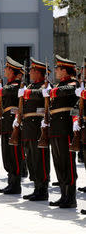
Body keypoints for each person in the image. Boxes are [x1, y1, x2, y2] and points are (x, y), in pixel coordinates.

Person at [44, 55, 79, 208]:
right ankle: (63, 194)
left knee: (67, 163)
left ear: (65, 70)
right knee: (58, 163)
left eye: (58, 69)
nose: (56, 71)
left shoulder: (73, 83)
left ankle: (70, 197)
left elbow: (67, 90)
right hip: (56, 128)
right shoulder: (59, 85)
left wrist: (51, 91)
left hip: (65, 129)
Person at [20, 58, 51, 201]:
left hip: (38, 128)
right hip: (28, 127)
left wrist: (26, 93)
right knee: (31, 159)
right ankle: (36, 187)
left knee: (39, 159)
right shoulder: (31, 85)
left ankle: (42, 189)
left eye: (32, 70)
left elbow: (41, 94)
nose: (30, 72)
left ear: (39, 73)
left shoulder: (44, 86)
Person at [0, 56, 23, 194]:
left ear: (13, 72)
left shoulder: (17, 86)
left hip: (13, 123)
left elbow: (11, 92)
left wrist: (2, 90)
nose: (5, 70)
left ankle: (16, 183)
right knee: (6, 154)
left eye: (7, 68)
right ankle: (10, 181)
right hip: (5, 123)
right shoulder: (7, 86)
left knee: (14, 154)